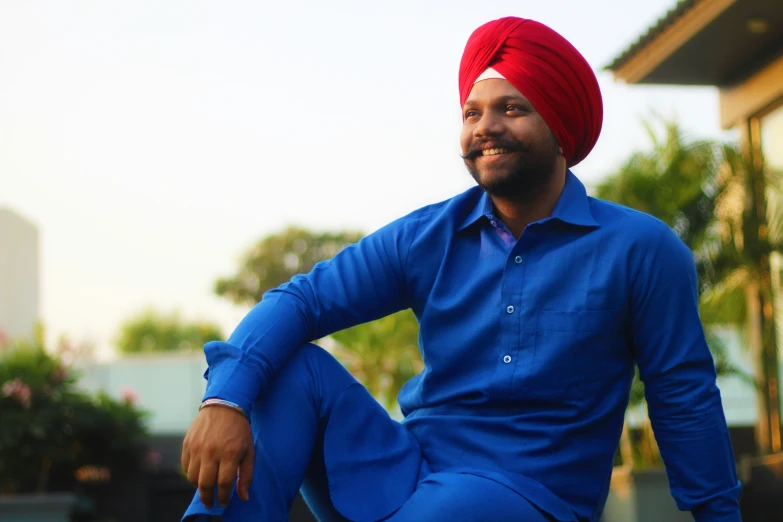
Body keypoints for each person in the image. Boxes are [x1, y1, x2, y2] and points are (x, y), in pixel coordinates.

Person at [181, 16, 741, 522]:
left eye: (512, 109)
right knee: (287, 370)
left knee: (462, 505)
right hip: (409, 475)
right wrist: (223, 400)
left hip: (531, 496)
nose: (485, 127)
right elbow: (301, 300)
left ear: (560, 127)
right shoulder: (429, 235)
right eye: (472, 112)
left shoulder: (639, 248)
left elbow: (682, 396)